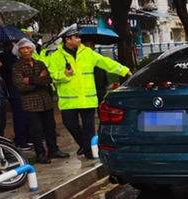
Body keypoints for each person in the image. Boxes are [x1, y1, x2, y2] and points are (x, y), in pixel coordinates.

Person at [46, 25, 131, 159]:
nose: (80, 39)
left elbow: (105, 62)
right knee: (70, 125)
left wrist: (123, 70)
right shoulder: (55, 56)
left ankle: (90, 152)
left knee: (89, 129)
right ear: (68, 40)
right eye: (76, 37)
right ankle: (86, 146)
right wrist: (64, 74)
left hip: (87, 98)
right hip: (69, 100)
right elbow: (52, 75)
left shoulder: (87, 52)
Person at [13, 39, 69, 163]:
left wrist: (31, 80)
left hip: (45, 101)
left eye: (28, 48)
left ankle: (53, 150)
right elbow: (21, 86)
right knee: (36, 130)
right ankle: (40, 154)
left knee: (50, 128)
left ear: (32, 49)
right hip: (30, 103)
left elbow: (48, 80)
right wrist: (39, 79)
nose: (26, 51)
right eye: (23, 49)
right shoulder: (17, 67)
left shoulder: (40, 63)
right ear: (19, 51)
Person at [0, 41, 30, 150]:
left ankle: (25, 138)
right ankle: (20, 141)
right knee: (19, 116)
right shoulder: (7, 57)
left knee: (24, 116)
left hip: (13, 92)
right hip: (13, 92)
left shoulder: (13, 57)